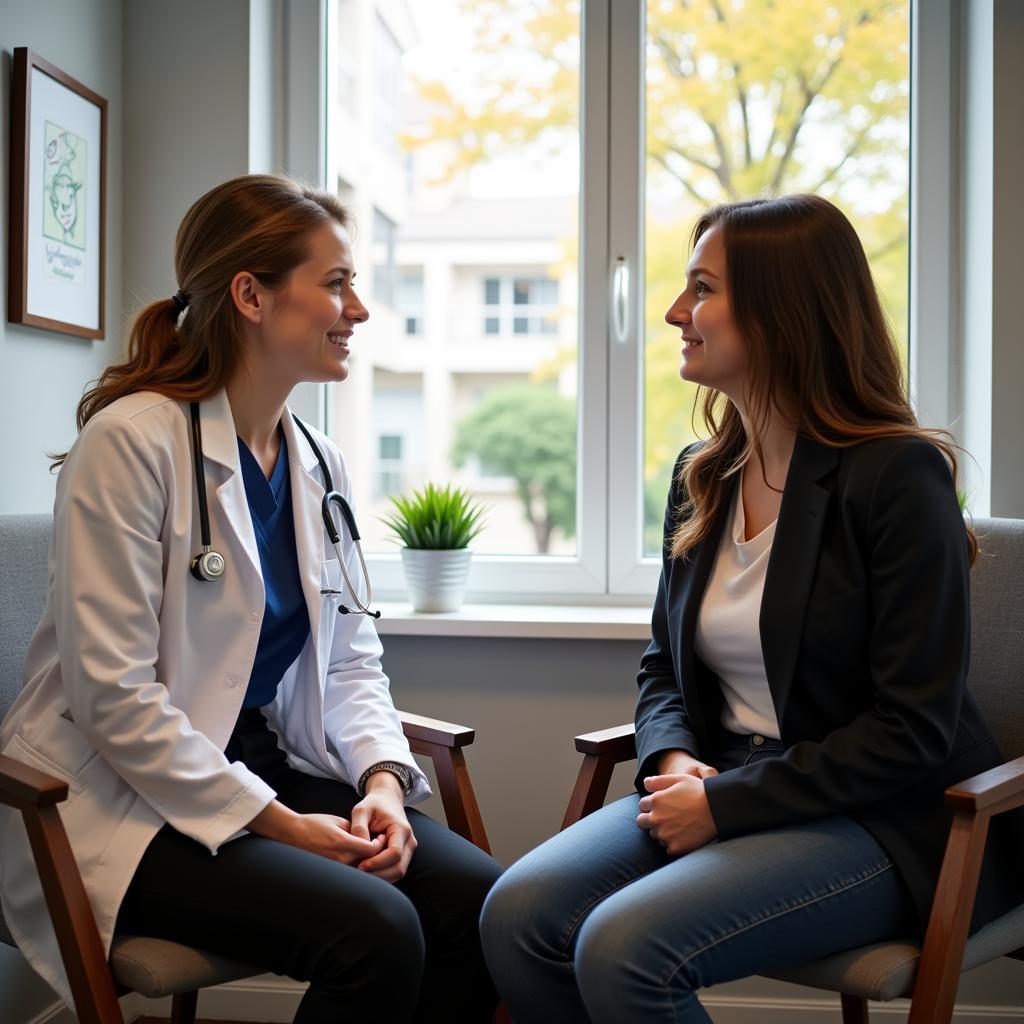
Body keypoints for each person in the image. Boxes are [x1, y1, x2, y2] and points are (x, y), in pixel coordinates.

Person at [479, 194, 1024, 1023]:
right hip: (713, 780)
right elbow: (664, 667)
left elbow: (913, 727)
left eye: (701, 288)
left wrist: (727, 805)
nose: (673, 312)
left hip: (880, 819)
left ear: (781, 311)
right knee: (516, 918)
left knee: (625, 950)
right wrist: (668, 760)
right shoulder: (703, 473)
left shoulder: (897, 478)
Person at [0, 174, 501, 1023]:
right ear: (251, 296)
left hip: (257, 765)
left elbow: (348, 659)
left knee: (485, 908)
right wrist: (282, 825)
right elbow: (112, 698)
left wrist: (379, 779)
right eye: (337, 283)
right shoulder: (131, 443)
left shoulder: (317, 462)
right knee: (375, 929)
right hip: (128, 798)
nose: (360, 309)